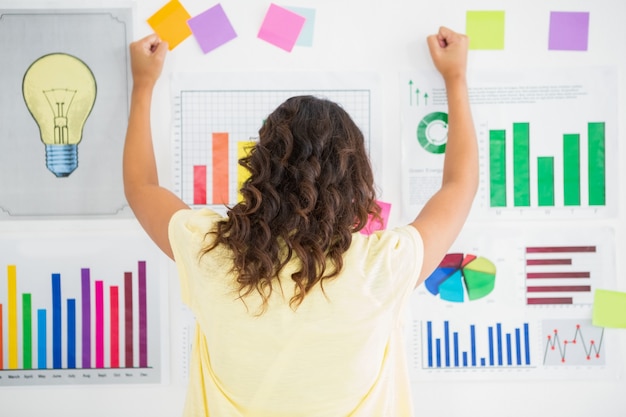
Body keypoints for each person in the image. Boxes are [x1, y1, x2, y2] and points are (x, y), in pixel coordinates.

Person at [123, 26, 477, 417]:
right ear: (355, 180)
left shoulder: (211, 253)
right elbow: (460, 186)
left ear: (260, 169)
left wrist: (142, 84)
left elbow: (140, 186)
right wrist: (455, 78)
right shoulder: (383, 267)